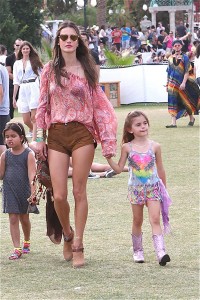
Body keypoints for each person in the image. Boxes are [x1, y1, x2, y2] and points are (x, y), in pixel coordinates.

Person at [35, 20, 117, 268]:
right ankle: (68, 234)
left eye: (73, 37)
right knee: (59, 195)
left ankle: (79, 243)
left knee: (80, 191)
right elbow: (42, 106)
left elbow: (101, 108)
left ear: (78, 42)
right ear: (57, 42)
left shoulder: (89, 70)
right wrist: (39, 138)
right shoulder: (49, 70)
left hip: (83, 133)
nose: (69, 40)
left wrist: (108, 145)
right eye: (64, 37)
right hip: (57, 134)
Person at [107, 110, 171, 266]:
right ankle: (137, 251)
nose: (143, 127)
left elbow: (160, 169)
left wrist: (164, 188)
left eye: (145, 123)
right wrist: (109, 158)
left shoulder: (155, 146)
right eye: (138, 125)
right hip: (135, 190)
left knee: (155, 219)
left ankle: (161, 252)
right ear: (130, 129)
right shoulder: (127, 148)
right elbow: (119, 168)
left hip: (153, 189)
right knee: (137, 220)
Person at [0, 122, 37, 260]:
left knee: (24, 218)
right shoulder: (5, 155)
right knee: (13, 218)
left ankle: (26, 240)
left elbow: (32, 175)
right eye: (7, 136)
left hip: (24, 191)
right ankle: (17, 248)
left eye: (13, 136)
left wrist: (33, 193)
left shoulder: (29, 154)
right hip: (9, 190)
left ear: (21, 137)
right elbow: (1, 175)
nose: (9, 139)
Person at [166, 39, 200, 128]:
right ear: (173, 47)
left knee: (186, 102)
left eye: (178, 45)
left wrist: (184, 83)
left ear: (181, 46)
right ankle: (173, 123)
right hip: (172, 84)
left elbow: (186, 72)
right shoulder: (170, 58)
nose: (177, 47)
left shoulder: (185, 57)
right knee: (172, 102)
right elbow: (168, 72)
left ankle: (192, 119)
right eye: (175, 45)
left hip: (182, 84)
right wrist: (167, 84)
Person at [13, 41, 43, 140]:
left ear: (30, 49)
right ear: (21, 50)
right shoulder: (17, 63)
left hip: (33, 87)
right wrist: (14, 96)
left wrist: (42, 90)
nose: (25, 50)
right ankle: (39, 132)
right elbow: (16, 81)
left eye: (27, 48)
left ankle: (36, 140)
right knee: (26, 120)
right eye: (24, 48)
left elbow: (42, 76)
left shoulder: (34, 61)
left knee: (34, 117)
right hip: (23, 89)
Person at [5, 38, 23, 119]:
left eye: (21, 45)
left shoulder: (25, 57)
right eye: (17, 45)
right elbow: (8, 73)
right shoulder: (9, 58)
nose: (19, 47)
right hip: (12, 85)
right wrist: (18, 79)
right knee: (11, 106)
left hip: (24, 85)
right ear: (14, 46)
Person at [0, 63, 10, 156]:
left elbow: (0, 93)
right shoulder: (3, 68)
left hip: (1, 111)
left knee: (1, 144)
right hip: (4, 111)